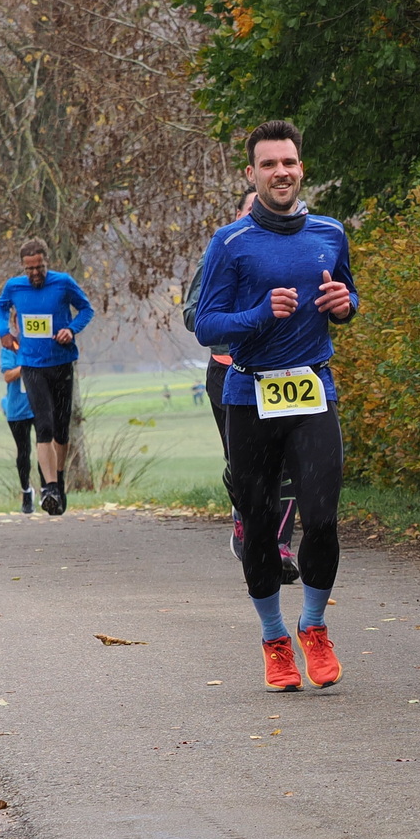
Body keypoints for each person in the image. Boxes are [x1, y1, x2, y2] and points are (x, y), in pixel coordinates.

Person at [192, 119, 358, 693]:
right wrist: (260, 314)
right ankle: (274, 640)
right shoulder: (230, 243)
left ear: (301, 168)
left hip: (313, 390)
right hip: (250, 394)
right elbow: (206, 325)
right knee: (260, 528)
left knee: (323, 519)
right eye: (268, 164)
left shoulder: (331, 232)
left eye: (288, 162)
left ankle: (313, 627)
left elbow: (347, 296)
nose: (280, 172)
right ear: (252, 173)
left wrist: (344, 304)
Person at [189, 192, 298, 583]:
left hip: (284, 374)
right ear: (239, 214)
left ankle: (280, 546)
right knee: (244, 466)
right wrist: (245, 318)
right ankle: (245, 520)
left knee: (286, 463)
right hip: (228, 373)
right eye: (252, 208)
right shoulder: (218, 254)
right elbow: (194, 317)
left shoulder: (292, 249)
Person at [0, 240, 95, 516]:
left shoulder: (63, 283)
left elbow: (86, 309)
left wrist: (71, 329)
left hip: (61, 363)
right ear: (23, 266)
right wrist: (4, 331)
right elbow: (0, 308)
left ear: (46, 262)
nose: (35, 273)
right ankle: (48, 488)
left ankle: (58, 482)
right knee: (44, 425)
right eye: (29, 268)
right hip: (31, 365)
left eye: (39, 267)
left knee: (61, 430)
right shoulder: (14, 286)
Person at [0, 336, 38, 513]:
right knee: (24, 451)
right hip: (17, 409)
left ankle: (49, 488)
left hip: (39, 405)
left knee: (46, 446)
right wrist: (25, 367)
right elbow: (7, 376)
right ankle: (26, 491)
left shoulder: (40, 342)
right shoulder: (9, 348)